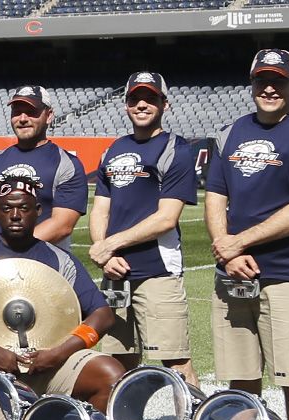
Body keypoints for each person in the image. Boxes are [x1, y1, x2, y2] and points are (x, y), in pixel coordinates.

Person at [203, 49, 289, 420]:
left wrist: (237, 243)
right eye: (262, 80)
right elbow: (215, 199)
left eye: (279, 80)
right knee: (239, 378)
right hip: (232, 275)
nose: (270, 88)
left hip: (288, 274)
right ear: (252, 84)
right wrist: (228, 252)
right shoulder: (230, 133)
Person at [0, 180, 125, 409]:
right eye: (6, 208)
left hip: (53, 366)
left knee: (110, 374)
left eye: (24, 208)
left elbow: (103, 315)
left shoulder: (59, 259)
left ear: (38, 212)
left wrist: (59, 353)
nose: (15, 215)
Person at [87, 72, 197, 381]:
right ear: (126, 105)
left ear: (165, 104)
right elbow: (100, 210)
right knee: (115, 365)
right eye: (135, 98)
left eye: (150, 98)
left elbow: (166, 218)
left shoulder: (176, 149)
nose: (142, 104)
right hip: (115, 274)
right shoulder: (113, 150)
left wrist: (110, 245)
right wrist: (105, 255)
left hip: (157, 272)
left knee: (175, 362)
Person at [0, 85, 84, 247]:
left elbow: (62, 225)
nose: (22, 118)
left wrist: (13, 253)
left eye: (31, 112)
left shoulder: (67, 164)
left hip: (44, 264)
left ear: (48, 116)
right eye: (16, 112)